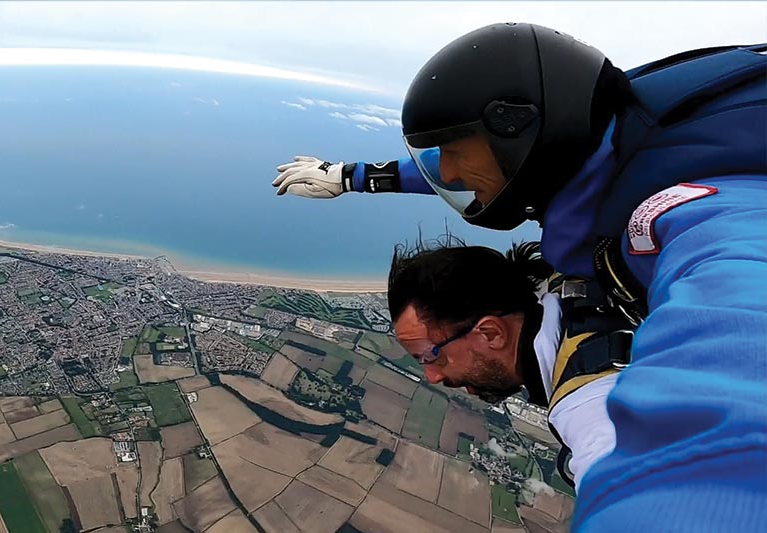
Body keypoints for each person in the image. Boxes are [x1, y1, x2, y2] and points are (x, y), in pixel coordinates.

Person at [274, 23, 767, 531]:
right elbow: (487, 169)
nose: (446, 173)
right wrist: (352, 177)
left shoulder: (693, 216)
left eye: (431, 356)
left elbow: (738, 336)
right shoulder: (611, 133)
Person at [388, 239, 630, 490]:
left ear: (491, 334)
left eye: (431, 355)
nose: (432, 376)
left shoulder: (591, 409)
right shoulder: (577, 282)